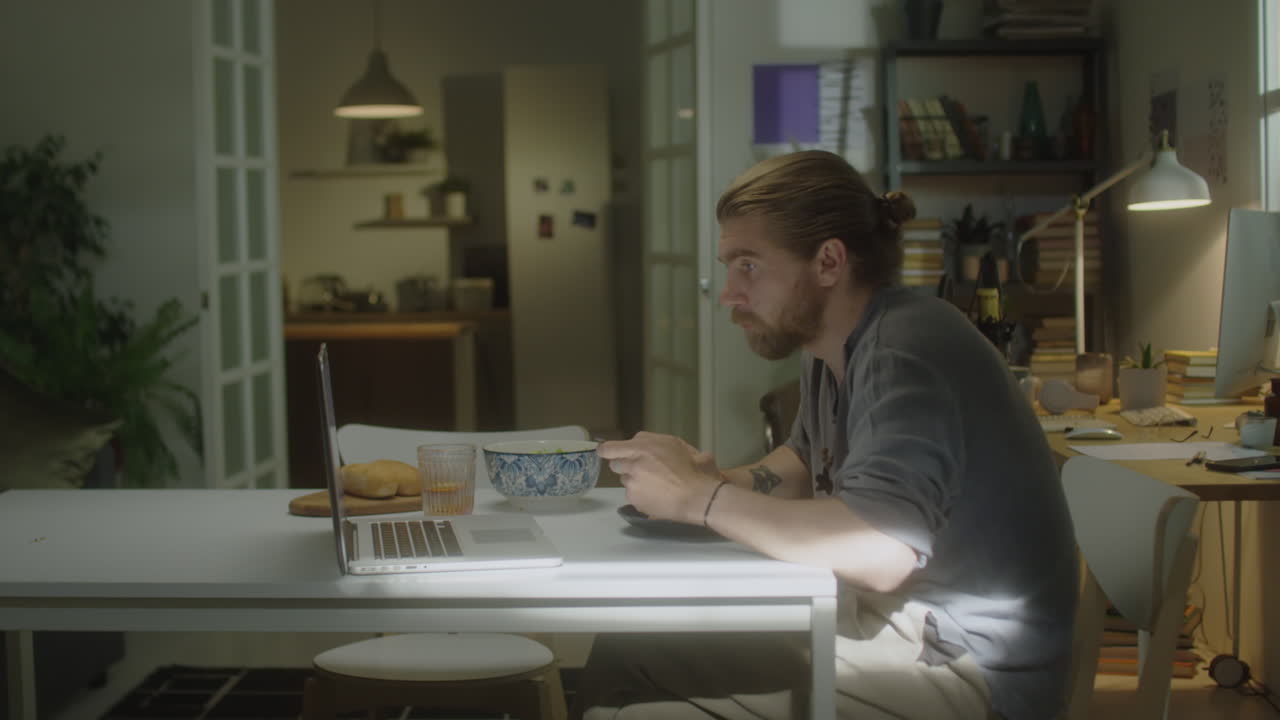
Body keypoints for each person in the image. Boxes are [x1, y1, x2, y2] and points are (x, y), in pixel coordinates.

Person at [578, 150, 1077, 720]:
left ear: (829, 262)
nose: (728, 294)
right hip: (893, 623)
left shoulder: (906, 349)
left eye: (749, 265)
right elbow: (800, 461)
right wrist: (710, 479)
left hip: (971, 669)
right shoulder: (831, 344)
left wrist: (701, 499)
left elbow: (882, 549)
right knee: (627, 645)